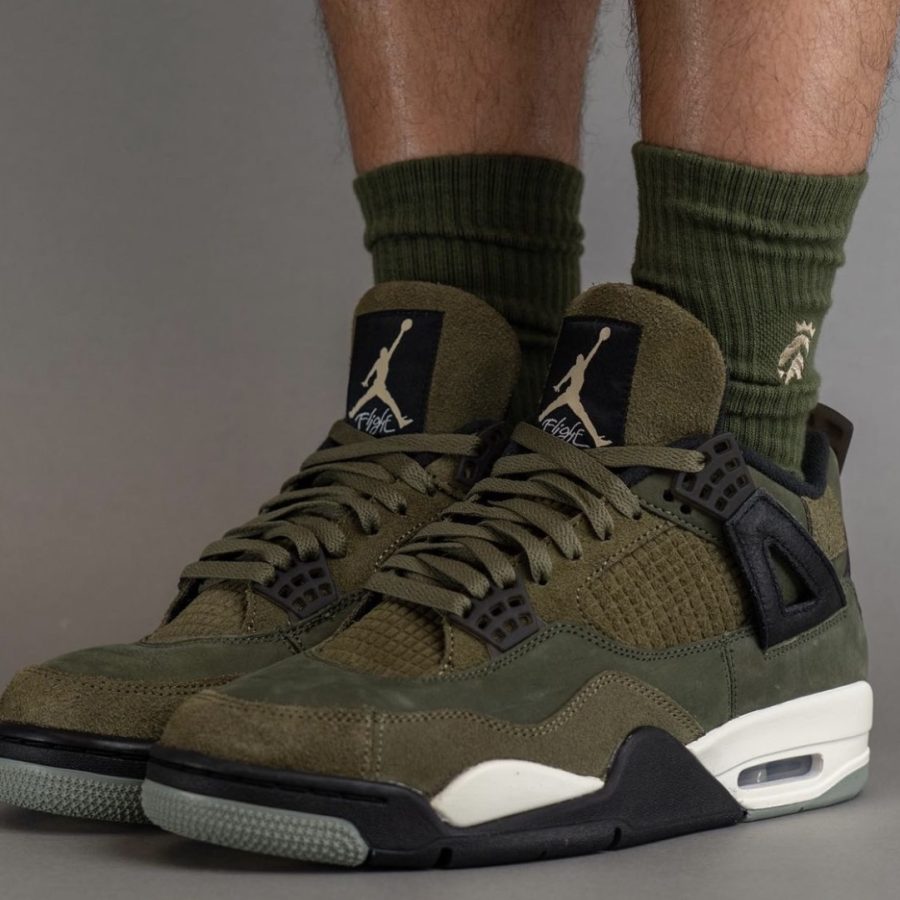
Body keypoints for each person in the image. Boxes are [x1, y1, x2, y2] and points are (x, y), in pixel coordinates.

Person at [0, 0, 892, 868]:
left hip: (722, 510)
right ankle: (485, 472)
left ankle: (728, 502)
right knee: (465, 296)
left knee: (716, 389)